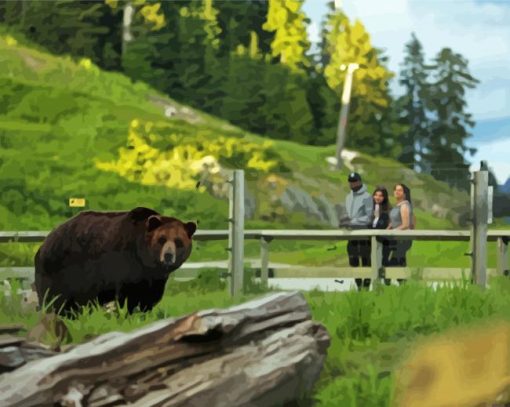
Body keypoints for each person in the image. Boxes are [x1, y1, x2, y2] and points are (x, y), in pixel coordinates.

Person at [339, 172, 373, 291]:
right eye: (351, 182)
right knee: (353, 260)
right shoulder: (348, 197)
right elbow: (349, 214)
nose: (352, 184)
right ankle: (359, 287)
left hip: (364, 234)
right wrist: (344, 220)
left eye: (355, 181)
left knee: (366, 260)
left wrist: (352, 221)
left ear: (360, 181)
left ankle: (366, 287)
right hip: (352, 234)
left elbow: (369, 218)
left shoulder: (367, 197)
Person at [387, 184, 415, 281]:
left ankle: (389, 280)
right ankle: (402, 284)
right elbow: (394, 221)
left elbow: (406, 224)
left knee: (394, 261)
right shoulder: (397, 206)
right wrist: (389, 228)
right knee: (400, 261)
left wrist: (393, 231)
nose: (396, 192)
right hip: (396, 239)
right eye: (395, 190)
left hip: (402, 239)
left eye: (400, 190)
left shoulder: (404, 206)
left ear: (404, 194)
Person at [369, 186, 392, 286]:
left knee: (381, 262)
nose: (377, 197)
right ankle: (375, 284)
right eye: (376, 195)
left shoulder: (387, 211)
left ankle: (381, 284)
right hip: (371, 239)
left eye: (380, 196)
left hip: (382, 240)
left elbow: (389, 224)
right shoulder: (369, 208)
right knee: (373, 261)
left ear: (385, 197)